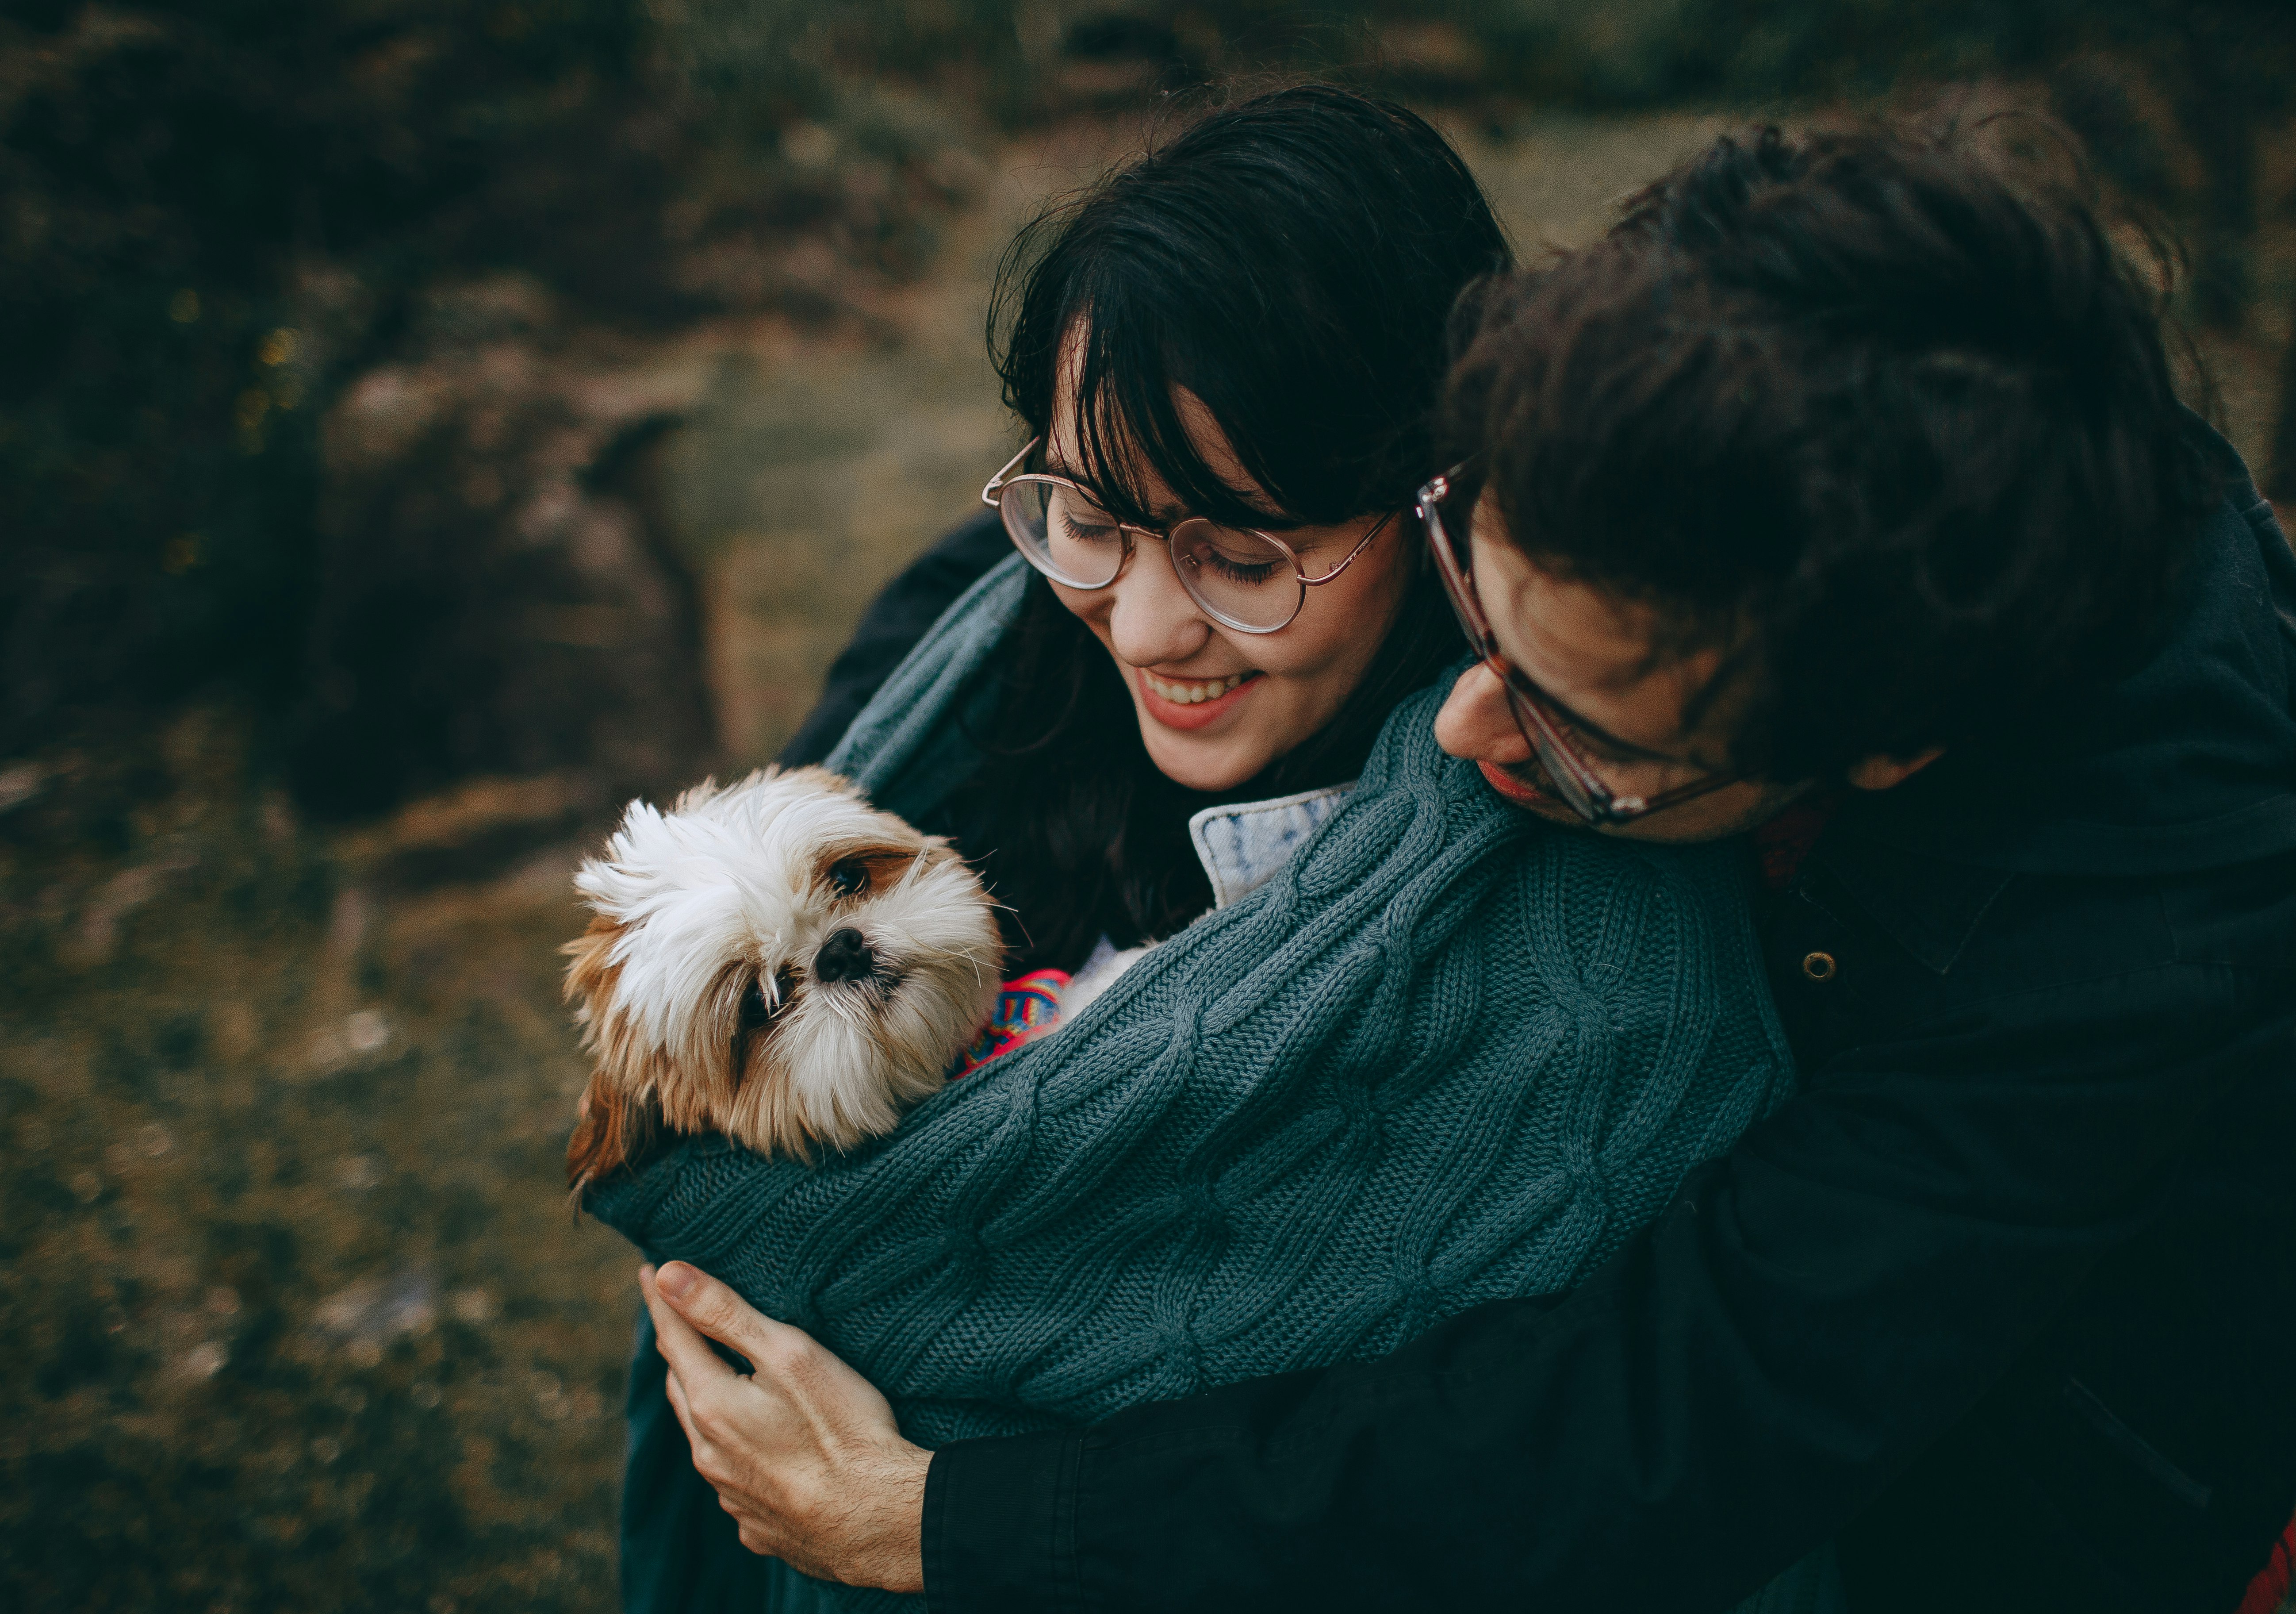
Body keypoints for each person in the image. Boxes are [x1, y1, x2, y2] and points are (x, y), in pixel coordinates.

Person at [633, 117, 2296, 1613]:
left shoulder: (2130, 934)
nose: (1464, 738)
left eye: (1591, 738)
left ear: (1876, 755)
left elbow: (1692, 1407)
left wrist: (964, 1523)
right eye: (1475, 613)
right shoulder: (1662, 382)